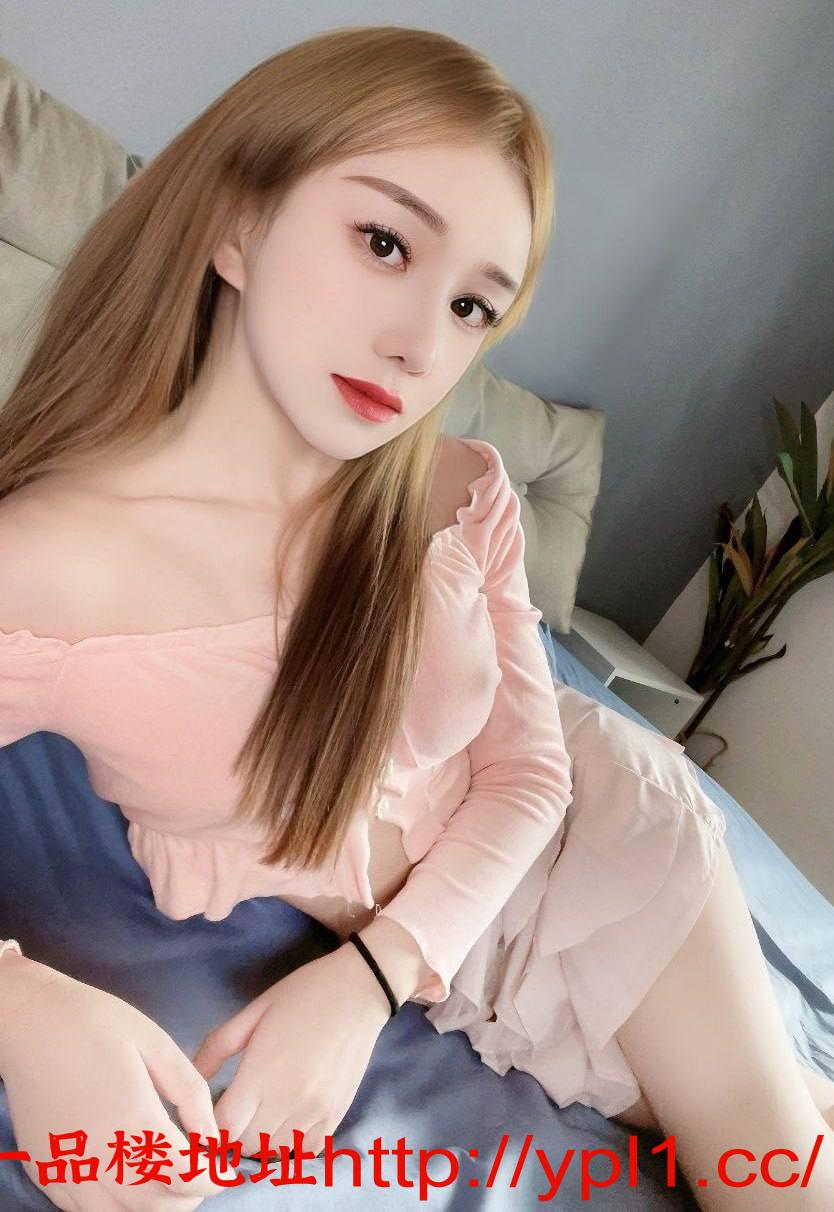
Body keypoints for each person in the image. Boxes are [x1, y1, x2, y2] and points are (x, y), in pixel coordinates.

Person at [1, 24, 833, 1211]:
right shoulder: (49, 565)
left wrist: (364, 985)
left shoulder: (456, 492)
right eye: (383, 242)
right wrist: (25, 1009)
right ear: (236, 222)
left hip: (601, 858)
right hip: (481, 974)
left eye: (472, 307)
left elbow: (534, 776)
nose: (418, 345)